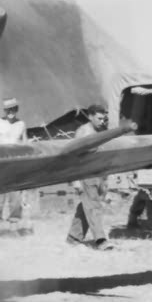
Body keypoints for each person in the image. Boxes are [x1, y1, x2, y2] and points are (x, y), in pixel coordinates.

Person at [66, 104, 114, 250]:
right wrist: (74, 180)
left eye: (103, 118)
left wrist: (105, 178)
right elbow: (73, 156)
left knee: (86, 205)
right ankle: (100, 240)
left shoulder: (102, 131)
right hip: (84, 174)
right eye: (99, 118)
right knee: (93, 206)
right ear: (90, 116)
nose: (102, 121)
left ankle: (73, 238)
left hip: (98, 175)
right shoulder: (83, 132)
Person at [0, 99, 31, 233]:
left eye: (13, 109)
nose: (11, 112)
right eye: (8, 109)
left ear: (17, 109)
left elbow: (25, 145)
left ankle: (14, 226)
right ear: (4, 110)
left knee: (16, 198)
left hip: (16, 165)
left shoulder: (21, 124)